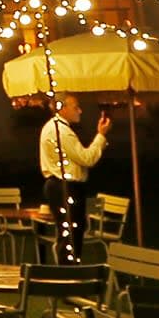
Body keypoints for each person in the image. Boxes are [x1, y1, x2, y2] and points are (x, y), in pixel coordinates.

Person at [38, 92, 112, 227]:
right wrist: (101, 135)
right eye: (75, 107)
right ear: (62, 108)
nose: (80, 111)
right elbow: (87, 158)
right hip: (65, 187)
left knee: (70, 233)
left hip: (60, 186)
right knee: (72, 235)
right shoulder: (61, 131)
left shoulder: (54, 128)